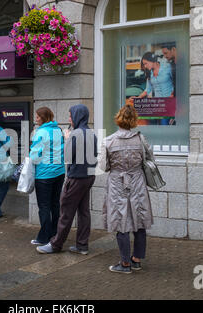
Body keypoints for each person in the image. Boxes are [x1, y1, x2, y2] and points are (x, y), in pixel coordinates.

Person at [99, 104, 154, 274]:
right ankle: (136, 260)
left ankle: (124, 264)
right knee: (139, 218)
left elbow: (103, 166)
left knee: (120, 221)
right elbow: (150, 159)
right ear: (134, 121)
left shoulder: (108, 141)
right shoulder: (141, 139)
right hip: (137, 180)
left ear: (118, 120)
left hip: (117, 183)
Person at [36, 104, 97, 255]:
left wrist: (67, 139)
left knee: (66, 212)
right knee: (84, 212)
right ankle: (82, 245)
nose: (69, 118)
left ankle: (56, 244)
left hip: (76, 178)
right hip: (88, 176)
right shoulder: (91, 133)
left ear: (77, 116)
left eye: (70, 115)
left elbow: (68, 157)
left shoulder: (75, 134)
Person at [30, 107, 65, 245]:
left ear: (43, 118)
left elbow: (34, 155)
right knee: (55, 205)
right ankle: (55, 234)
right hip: (59, 173)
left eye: (37, 117)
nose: (36, 119)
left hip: (44, 175)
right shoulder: (58, 130)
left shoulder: (41, 132)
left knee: (44, 207)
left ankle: (43, 237)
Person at [131, 52, 175, 125]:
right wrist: (138, 98)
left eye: (146, 63)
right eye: (144, 64)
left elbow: (176, 82)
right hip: (158, 105)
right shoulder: (149, 73)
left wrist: (173, 93)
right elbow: (147, 90)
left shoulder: (167, 68)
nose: (145, 66)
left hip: (169, 103)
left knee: (164, 125)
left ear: (152, 60)